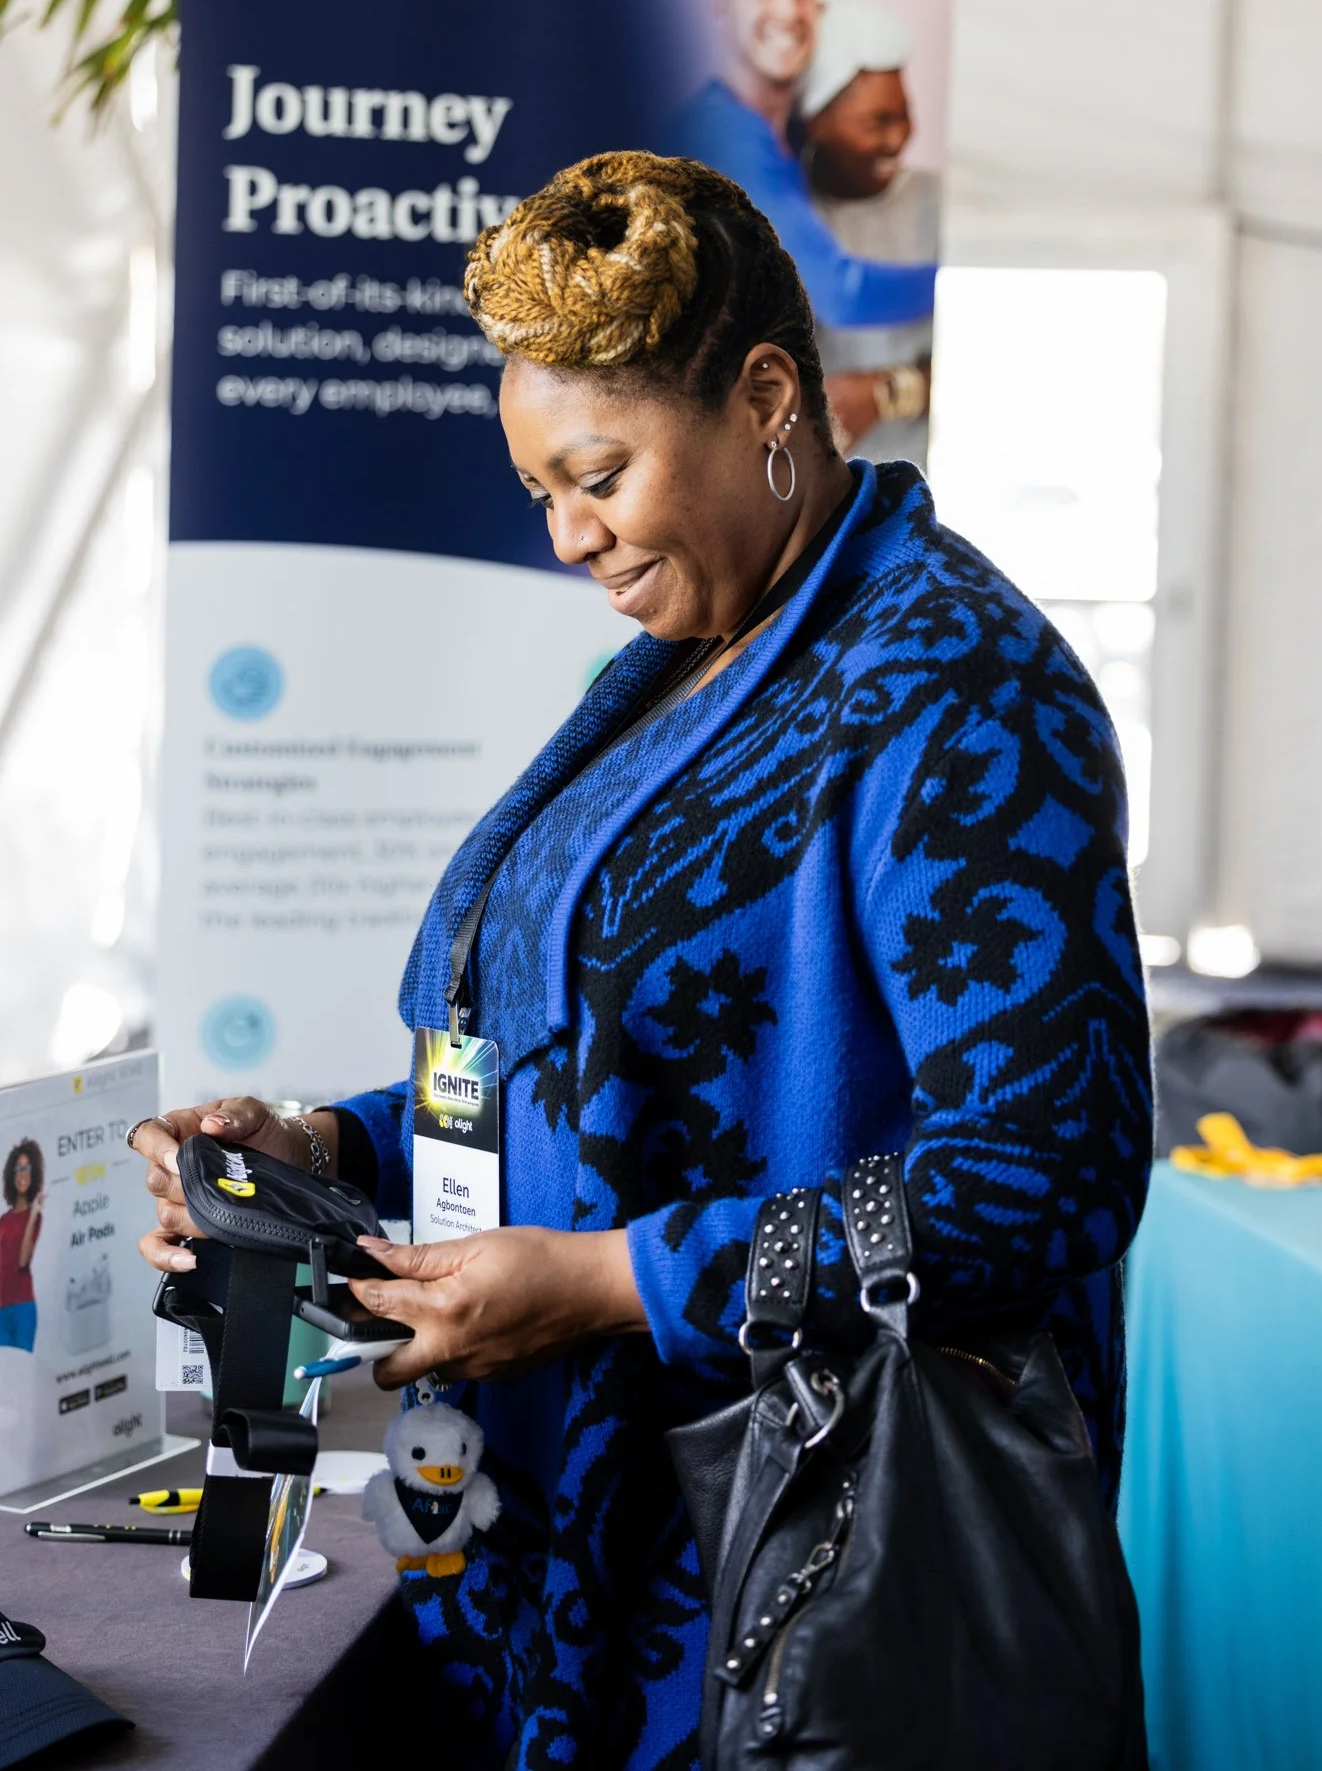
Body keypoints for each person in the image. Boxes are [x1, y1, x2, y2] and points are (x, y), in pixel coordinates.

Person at [132, 151, 1152, 1771]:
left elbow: (1048, 1171)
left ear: (766, 396)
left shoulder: (952, 682)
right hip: (553, 1542)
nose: (568, 535)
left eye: (597, 471)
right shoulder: (669, 675)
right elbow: (567, 1064)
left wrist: (617, 1281)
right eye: (541, 489)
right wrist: (328, 1147)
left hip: (800, 1576)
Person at [671, 0, 939, 334]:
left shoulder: (785, 135)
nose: (787, 10)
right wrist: (962, 281)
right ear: (721, 10)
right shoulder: (723, 136)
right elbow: (839, 293)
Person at [801, 0, 941, 466]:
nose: (899, 138)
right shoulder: (786, 219)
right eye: (878, 121)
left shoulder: (938, 205)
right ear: (818, 123)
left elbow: (996, 356)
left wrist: (885, 393)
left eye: (904, 114)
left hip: (924, 494)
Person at [0, 1139, 44, 1351]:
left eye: (26, 1167)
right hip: (1, 1307)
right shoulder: (4, 1219)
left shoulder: (35, 1217)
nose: (22, 1173)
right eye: (18, 1168)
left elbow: (23, 1260)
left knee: (23, 1373)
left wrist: (33, 1214)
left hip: (22, 1305)